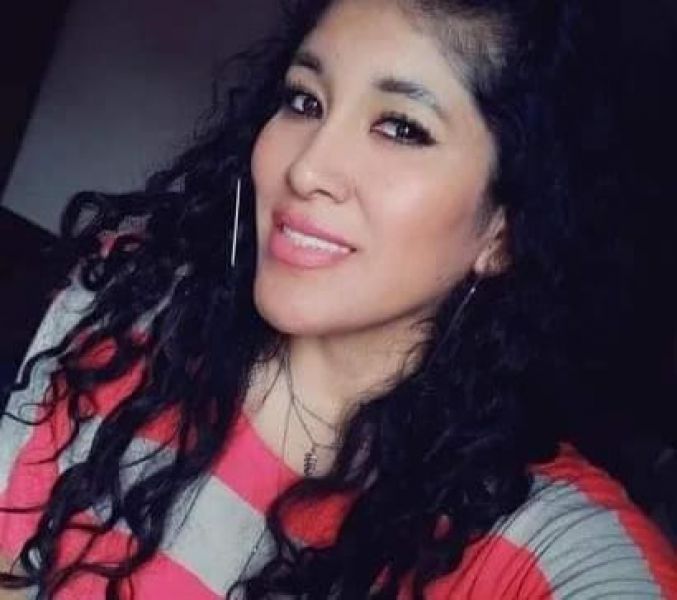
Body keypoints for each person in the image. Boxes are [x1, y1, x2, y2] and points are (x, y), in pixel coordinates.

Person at [1, 0, 676, 597]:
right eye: (305, 101)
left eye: (401, 127)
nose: (306, 168)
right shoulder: (128, 312)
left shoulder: (532, 545)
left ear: (502, 231)